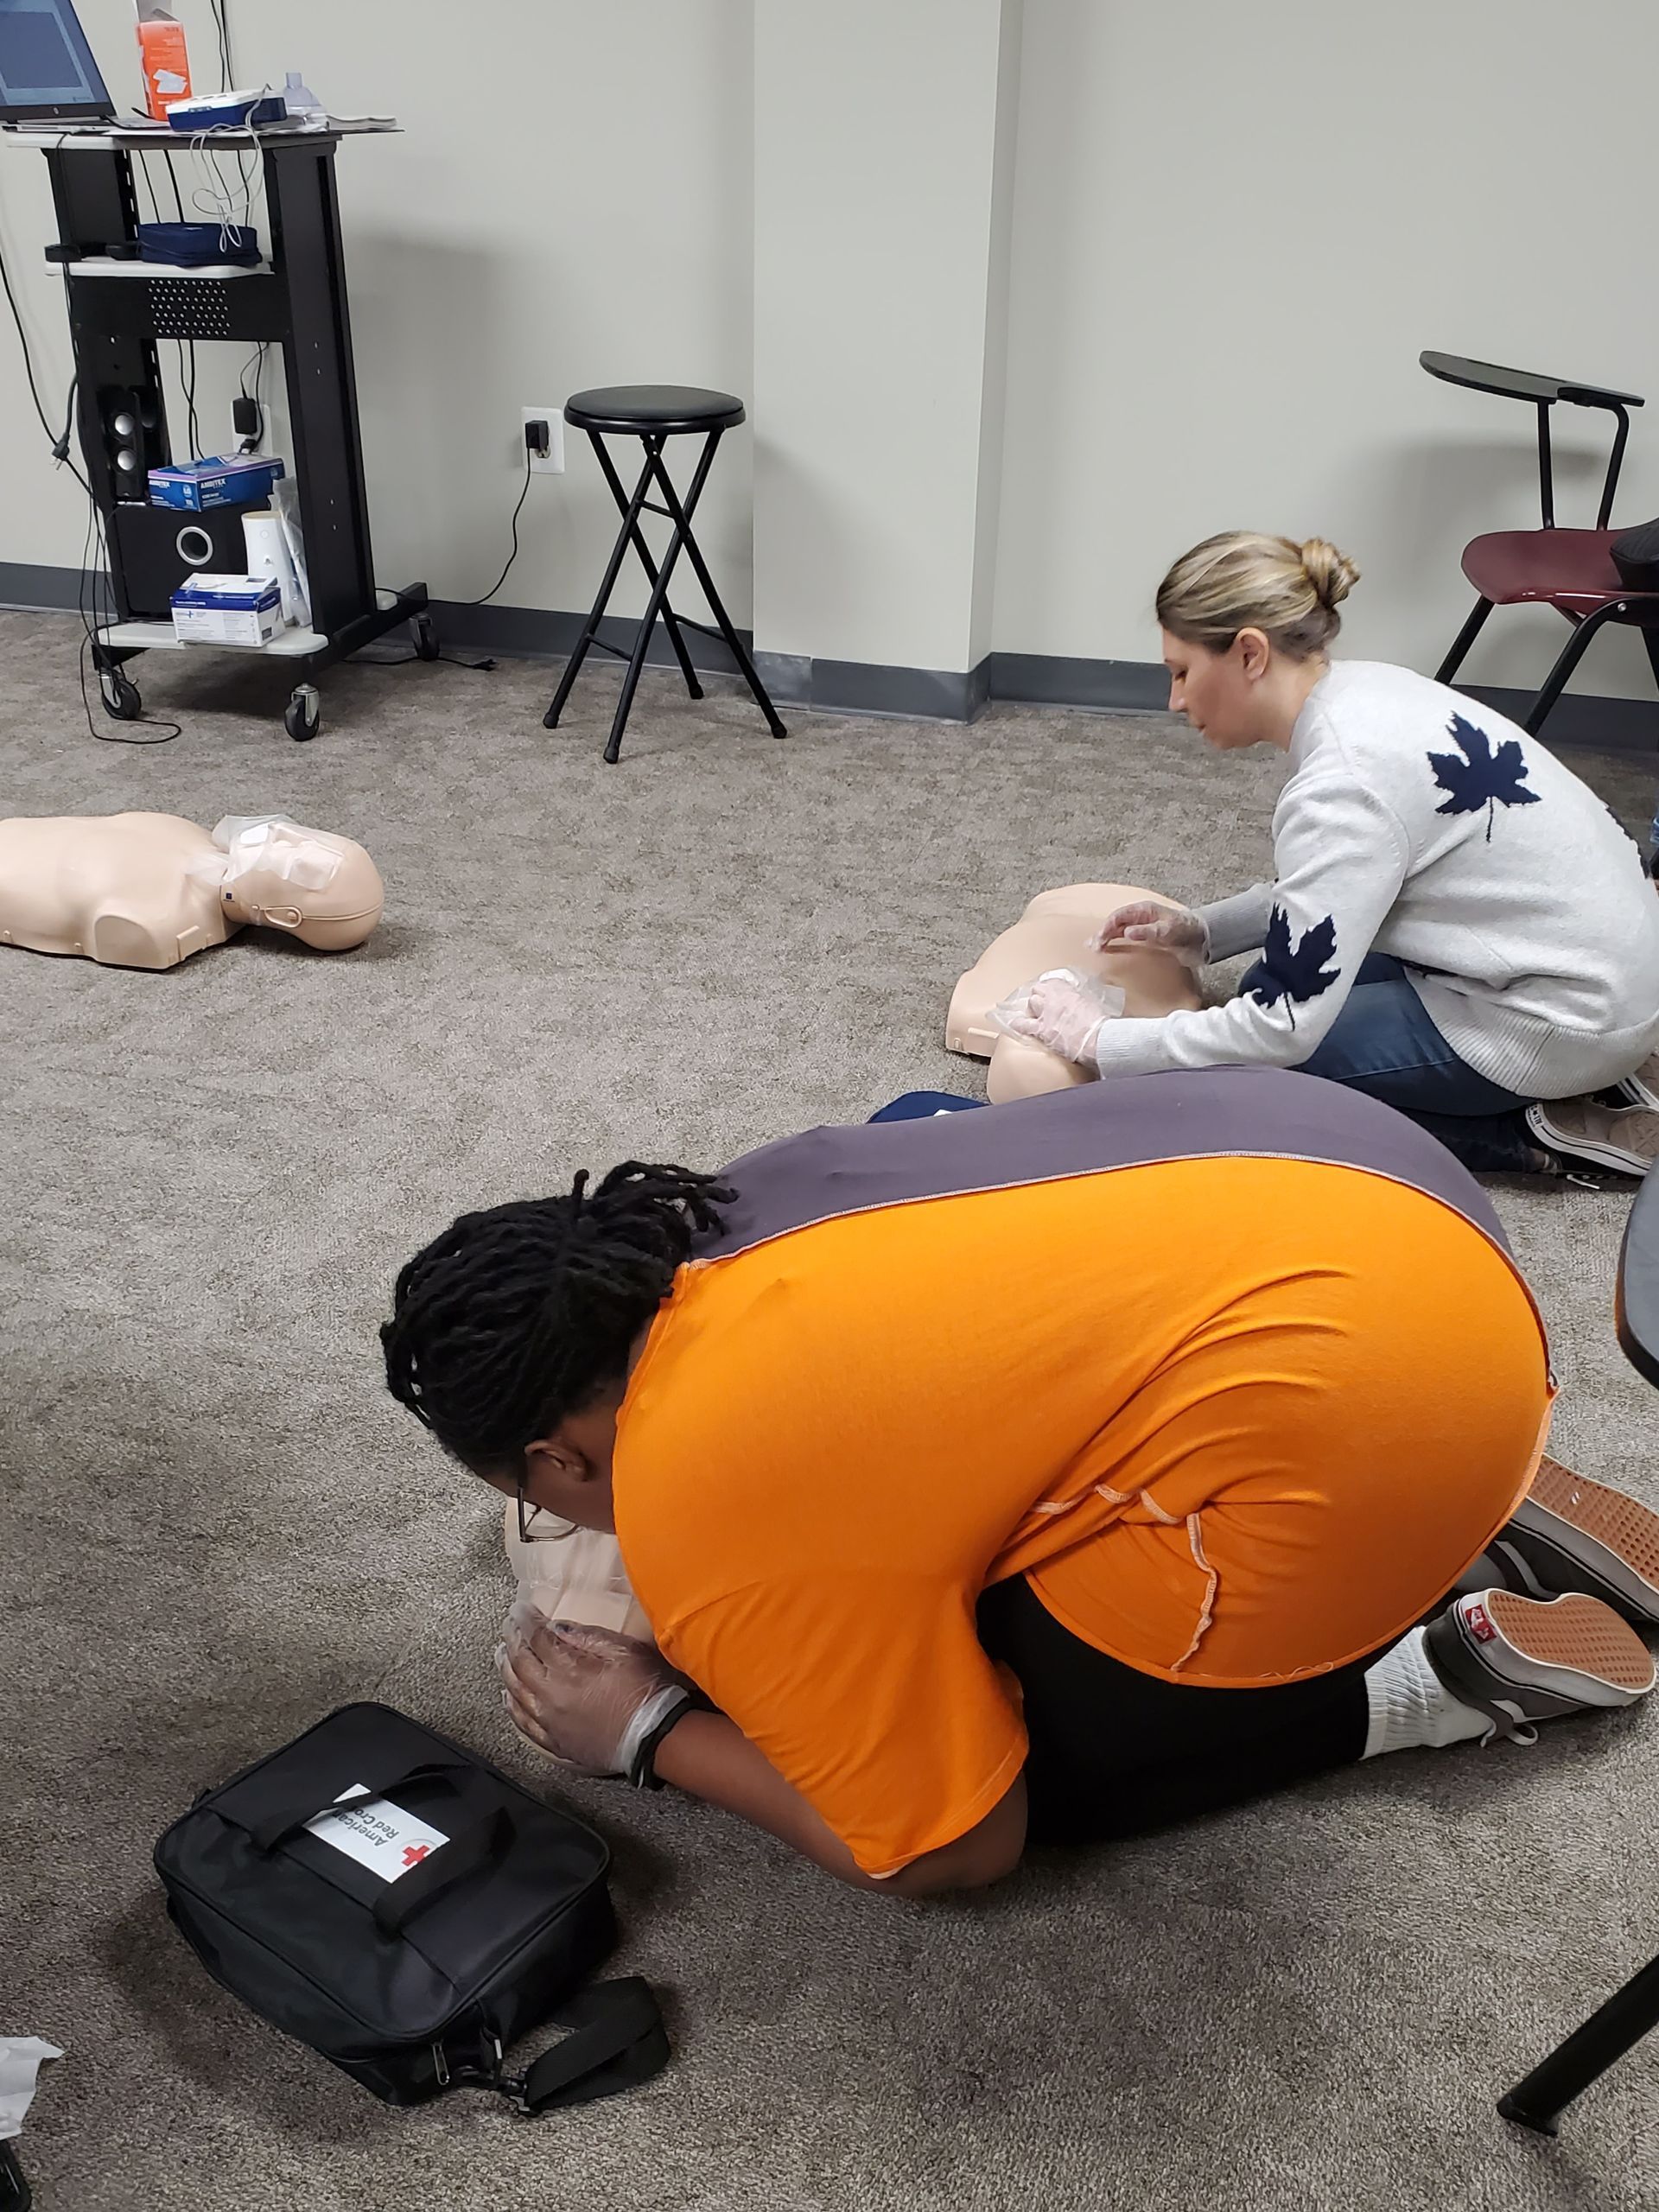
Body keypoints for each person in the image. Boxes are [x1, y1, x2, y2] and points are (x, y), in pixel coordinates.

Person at [380, 1072, 1659, 1896]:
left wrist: (652, 1733)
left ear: (560, 1455)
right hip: (1380, 1206)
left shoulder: (707, 1495)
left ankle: (1424, 1672)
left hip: (1385, 1411)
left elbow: (952, 1849)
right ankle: (1471, 1473)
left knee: (1032, 1777)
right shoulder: (733, 1205)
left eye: (549, 1499)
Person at [1001, 532, 1659, 1179]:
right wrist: (1202, 930)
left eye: (1182, 673)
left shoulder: (1342, 784)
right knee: (1268, 987)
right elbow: (1346, 882)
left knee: (1237, 1077)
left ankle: (1523, 1131)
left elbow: (1281, 1029)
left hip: (1564, 1023)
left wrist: (1099, 1041)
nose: (1174, 700)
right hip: (1604, 975)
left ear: (1250, 654)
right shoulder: (1365, 692)